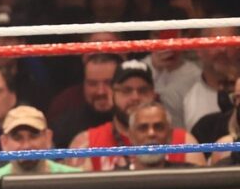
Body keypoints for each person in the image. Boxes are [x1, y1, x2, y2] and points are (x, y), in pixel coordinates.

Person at [70, 60, 205, 170]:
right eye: (126, 90)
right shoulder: (88, 143)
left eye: (143, 90)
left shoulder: (184, 142)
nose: (135, 97)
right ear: (111, 95)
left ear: (153, 94)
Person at [0, 106, 81, 177]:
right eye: (17, 138)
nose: (26, 146)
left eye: (33, 136)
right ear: (4, 143)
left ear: (48, 138)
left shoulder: (75, 178)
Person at [126, 101, 205, 169]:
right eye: (143, 128)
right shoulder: (115, 177)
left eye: (159, 127)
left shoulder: (189, 175)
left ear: (170, 135)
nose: (151, 133)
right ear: (131, 136)